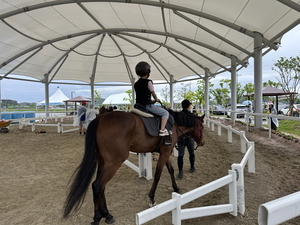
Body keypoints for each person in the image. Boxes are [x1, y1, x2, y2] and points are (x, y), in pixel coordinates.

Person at [134, 61, 171, 136]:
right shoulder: (148, 82)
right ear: (148, 72)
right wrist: (156, 99)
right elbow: (153, 93)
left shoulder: (136, 84)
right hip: (147, 106)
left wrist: (152, 101)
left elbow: (142, 96)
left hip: (138, 106)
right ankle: (162, 130)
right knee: (165, 113)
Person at [177, 99, 196, 180]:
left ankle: (180, 172)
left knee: (180, 155)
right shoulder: (192, 116)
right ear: (188, 106)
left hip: (180, 137)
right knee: (191, 152)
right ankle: (192, 167)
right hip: (189, 137)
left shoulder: (178, 115)